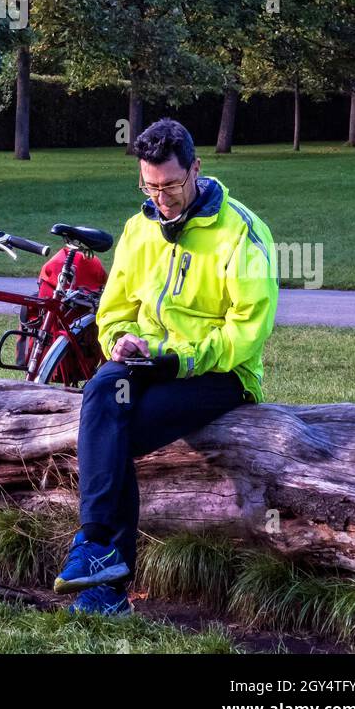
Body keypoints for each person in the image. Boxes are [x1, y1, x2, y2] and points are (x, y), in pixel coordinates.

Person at [54, 117, 279, 617]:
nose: (161, 197)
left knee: (118, 432)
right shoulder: (139, 229)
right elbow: (112, 312)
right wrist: (120, 342)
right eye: (149, 186)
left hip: (220, 373)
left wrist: (185, 357)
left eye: (171, 185)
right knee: (102, 389)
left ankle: (108, 587)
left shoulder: (240, 231)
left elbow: (249, 330)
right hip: (148, 363)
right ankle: (95, 546)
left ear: (195, 169)